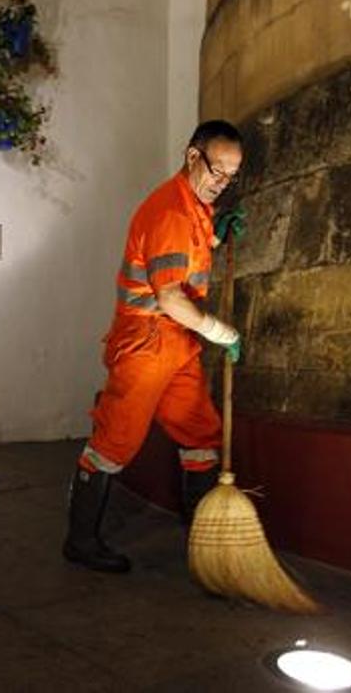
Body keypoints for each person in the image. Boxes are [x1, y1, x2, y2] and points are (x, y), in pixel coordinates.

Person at [63, 120, 245, 573]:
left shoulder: (194, 205)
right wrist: (222, 332)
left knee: (200, 431)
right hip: (147, 339)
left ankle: (199, 531)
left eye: (231, 175)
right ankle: (80, 540)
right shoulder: (170, 212)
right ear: (191, 157)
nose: (222, 183)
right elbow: (168, 296)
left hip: (177, 341)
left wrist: (217, 233)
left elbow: (189, 251)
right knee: (115, 441)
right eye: (216, 171)